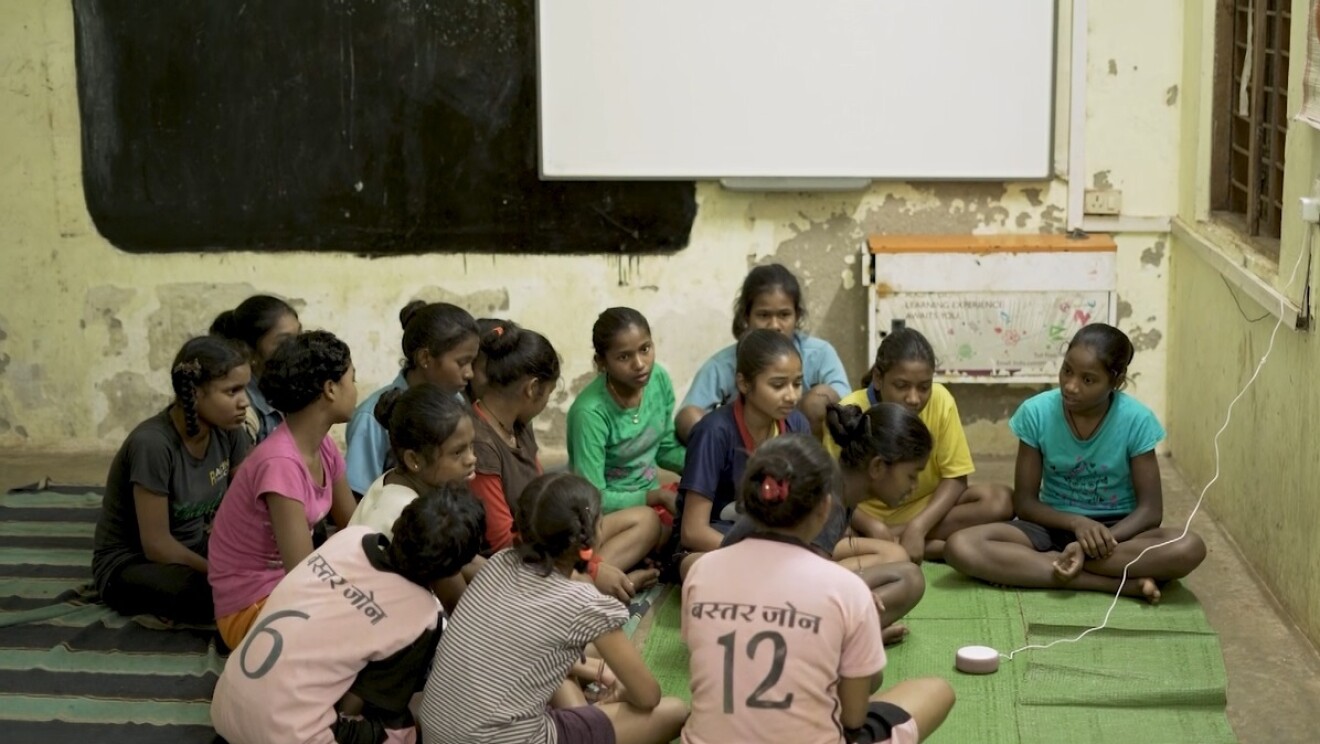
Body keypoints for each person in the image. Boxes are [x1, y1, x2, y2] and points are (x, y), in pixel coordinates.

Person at [682, 435, 954, 744]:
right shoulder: (848, 589)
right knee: (935, 691)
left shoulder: (702, 570)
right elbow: (852, 719)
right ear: (825, 507)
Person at [418, 473, 689, 744]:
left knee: (568, 663)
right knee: (674, 711)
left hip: (436, 730)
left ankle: (584, 719)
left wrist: (597, 671)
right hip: (501, 738)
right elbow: (648, 695)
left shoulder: (500, 563)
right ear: (591, 535)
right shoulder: (585, 604)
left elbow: (520, 647)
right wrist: (619, 692)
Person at [944, 323, 1207, 603]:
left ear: (1116, 381)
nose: (1071, 386)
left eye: (1088, 380)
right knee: (960, 546)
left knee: (1187, 547)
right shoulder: (1037, 413)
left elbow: (1150, 511)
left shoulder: (1136, 420)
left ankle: (1044, 566)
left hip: (1116, 536)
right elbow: (1025, 503)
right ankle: (1111, 583)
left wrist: (1092, 544)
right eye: (1067, 370)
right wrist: (1077, 524)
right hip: (1050, 526)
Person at [211, 486, 485, 744]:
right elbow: (354, 707)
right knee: (401, 729)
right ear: (451, 570)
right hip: (286, 733)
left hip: (225, 705)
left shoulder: (350, 538)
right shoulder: (421, 616)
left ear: (401, 522)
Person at [472, 321, 660, 601]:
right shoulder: (480, 446)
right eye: (549, 394)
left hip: (548, 538)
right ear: (533, 388)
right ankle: (595, 585)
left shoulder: (518, 423)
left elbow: (546, 496)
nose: (547, 401)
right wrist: (592, 568)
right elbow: (503, 546)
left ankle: (591, 581)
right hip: (520, 561)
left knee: (646, 520)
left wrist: (585, 550)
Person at [208, 331, 359, 649]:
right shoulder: (281, 463)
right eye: (352, 380)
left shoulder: (324, 447)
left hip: (286, 587)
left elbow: (353, 525)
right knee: (367, 630)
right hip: (250, 605)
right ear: (330, 389)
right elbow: (302, 573)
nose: (356, 390)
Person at [92, 337, 252, 623]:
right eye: (232, 391)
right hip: (134, 563)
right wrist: (219, 570)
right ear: (196, 392)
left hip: (198, 546)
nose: (244, 402)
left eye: (245, 389)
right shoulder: (153, 444)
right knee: (211, 593)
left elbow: (248, 502)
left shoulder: (229, 430)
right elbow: (157, 544)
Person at [828, 325, 1012, 562]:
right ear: (878, 379)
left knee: (999, 501)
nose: (914, 398)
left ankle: (898, 542)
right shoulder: (850, 411)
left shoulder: (941, 400)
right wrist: (874, 527)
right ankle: (930, 547)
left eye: (924, 387)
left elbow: (955, 478)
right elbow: (836, 488)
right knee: (828, 531)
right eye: (901, 386)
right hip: (864, 519)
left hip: (923, 510)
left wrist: (918, 526)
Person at [675, 264, 849, 441]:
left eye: (784, 315)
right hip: (741, 452)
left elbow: (846, 402)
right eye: (764, 315)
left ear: (797, 316)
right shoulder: (722, 365)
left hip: (801, 453)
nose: (774, 325)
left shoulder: (819, 354)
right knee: (690, 418)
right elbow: (689, 416)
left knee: (819, 401)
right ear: (746, 317)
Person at [350, 383, 482, 613]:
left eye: (472, 446)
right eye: (458, 452)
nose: (471, 459)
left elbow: (465, 560)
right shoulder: (415, 516)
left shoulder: (393, 478)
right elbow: (461, 607)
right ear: (414, 459)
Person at [567, 307, 684, 545]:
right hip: (608, 513)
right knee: (656, 528)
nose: (640, 364)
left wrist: (709, 467)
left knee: (704, 504)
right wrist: (654, 496)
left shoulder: (658, 379)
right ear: (601, 362)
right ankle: (596, 572)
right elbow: (592, 497)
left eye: (645, 349)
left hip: (652, 500)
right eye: (624, 357)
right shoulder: (590, 413)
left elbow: (665, 448)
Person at [346, 301, 479, 497]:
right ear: (425, 358)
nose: (470, 374)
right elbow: (358, 496)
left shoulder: (456, 401)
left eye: (472, 362)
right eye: (462, 363)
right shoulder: (370, 417)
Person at [210, 294, 302, 444]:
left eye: (299, 335)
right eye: (285, 342)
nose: (299, 348)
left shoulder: (289, 391)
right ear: (251, 352)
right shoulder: (243, 410)